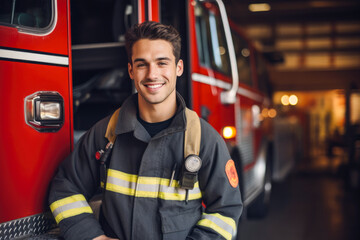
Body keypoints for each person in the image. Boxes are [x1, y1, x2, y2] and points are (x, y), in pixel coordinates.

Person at [48, 21, 242, 240]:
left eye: (162, 63)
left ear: (178, 68)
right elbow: (65, 187)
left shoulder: (204, 140)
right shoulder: (105, 133)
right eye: (142, 64)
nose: (152, 74)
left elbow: (226, 211)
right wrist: (93, 237)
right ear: (131, 70)